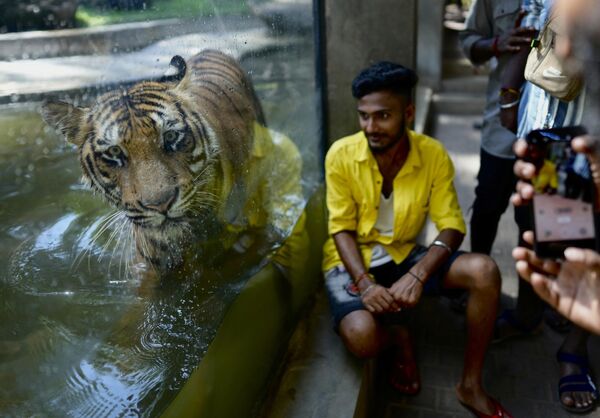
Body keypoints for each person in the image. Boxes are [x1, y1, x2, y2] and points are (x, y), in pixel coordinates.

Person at [323, 61, 510, 417]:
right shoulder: (341, 155)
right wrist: (363, 284)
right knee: (362, 338)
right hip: (352, 261)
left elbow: (452, 225)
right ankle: (397, 337)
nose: (370, 127)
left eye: (382, 116)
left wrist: (419, 273)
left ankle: (471, 385)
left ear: (408, 113)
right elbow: (341, 228)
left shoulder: (433, 154)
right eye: (364, 116)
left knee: (484, 271)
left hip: (406, 253)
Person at [501, 0, 598, 413]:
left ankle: (574, 347)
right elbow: (531, 36)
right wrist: (510, 95)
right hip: (539, 129)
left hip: (585, 142)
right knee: (533, 224)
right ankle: (530, 313)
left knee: (585, 241)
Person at [459, 0, 536, 259]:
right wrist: (496, 44)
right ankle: (480, 281)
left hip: (553, 128)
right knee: (487, 206)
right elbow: (469, 41)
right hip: (501, 128)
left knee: (535, 218)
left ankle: (531, 296)